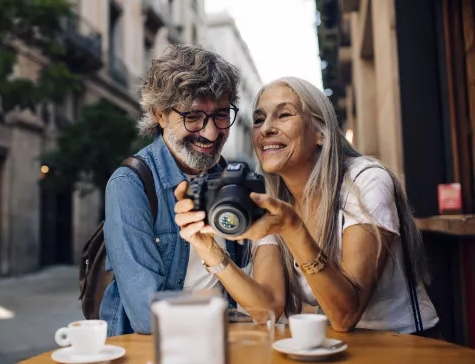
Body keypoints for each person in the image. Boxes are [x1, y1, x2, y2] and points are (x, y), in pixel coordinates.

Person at [174, 76, 440, 336]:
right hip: (340, 347)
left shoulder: (365, 181)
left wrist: (292, 227)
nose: (265, 128)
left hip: (405, 343)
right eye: (258, 119)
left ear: (321, 133)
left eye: (284, 115)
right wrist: (207, 248)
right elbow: (268, 306)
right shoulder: (268, 196)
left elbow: (345, 314)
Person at [100, 44, 248, 337]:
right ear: (160, 114)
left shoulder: (229, 177)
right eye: (193, 116)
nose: (210, 132)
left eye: (220, 114)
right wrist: (227, 316)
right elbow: (147, 314)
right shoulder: (130, 184)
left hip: (222, 343)